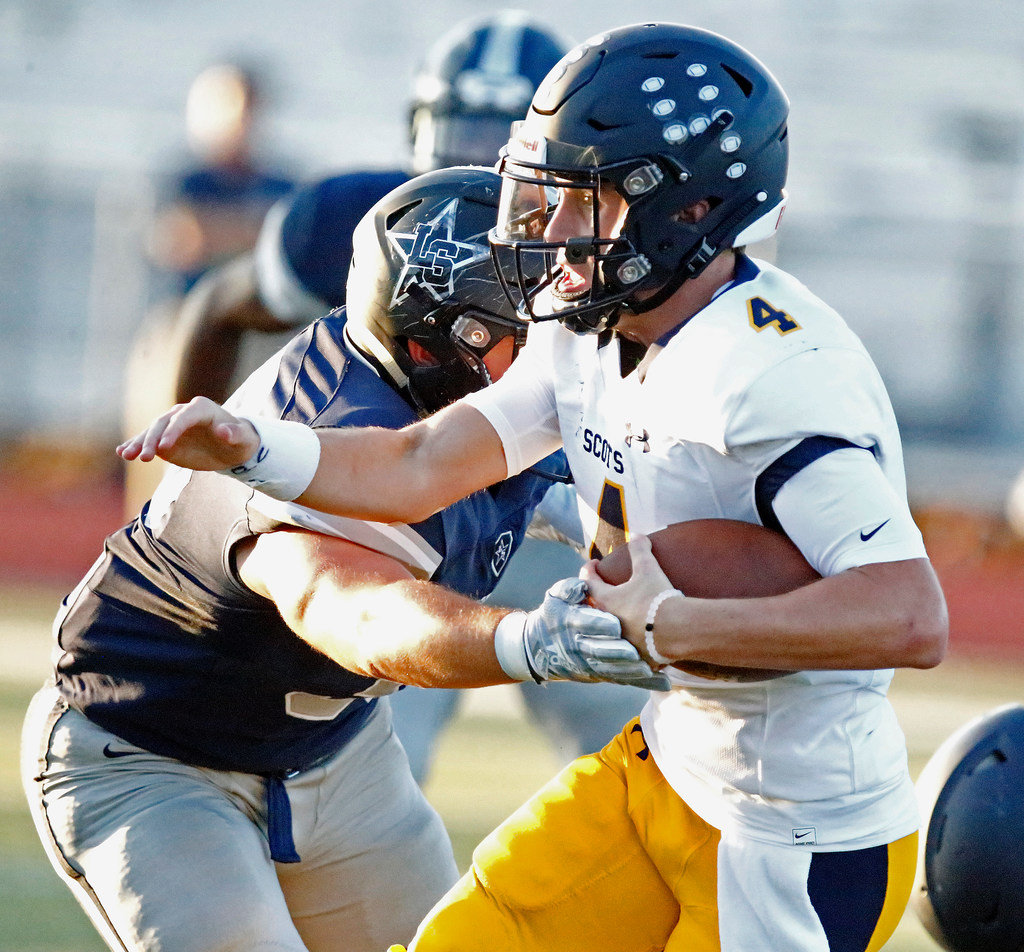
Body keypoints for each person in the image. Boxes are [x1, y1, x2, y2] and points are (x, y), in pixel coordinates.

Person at [119, 22, 952, 952]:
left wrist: (674, 625)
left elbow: (909, 616)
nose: (547, 231)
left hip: (796, 841)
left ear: (684, 209)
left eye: (581, 199)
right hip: (667, 770)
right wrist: (255, 448)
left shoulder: (776, 372)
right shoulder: (585, 324)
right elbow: (420, 463)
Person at [24, 167, 666, 952]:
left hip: (335, 746)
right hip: (153, 751)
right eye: (526, 325)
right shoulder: (330, 426)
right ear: (444, 345)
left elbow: (547, 486)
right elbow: (356, 613)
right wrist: (530, 642)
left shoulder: (448, 388)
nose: (557, 341)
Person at [128, 10, 644, 784]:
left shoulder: (601, 241)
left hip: (541, 511)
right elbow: (215, 308)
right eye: (457, 129)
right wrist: (172, 495)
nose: (477, 160)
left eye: (495, 134)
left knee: (649, 738)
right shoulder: (363, 220)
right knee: (367, 754)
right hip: (383, 516)